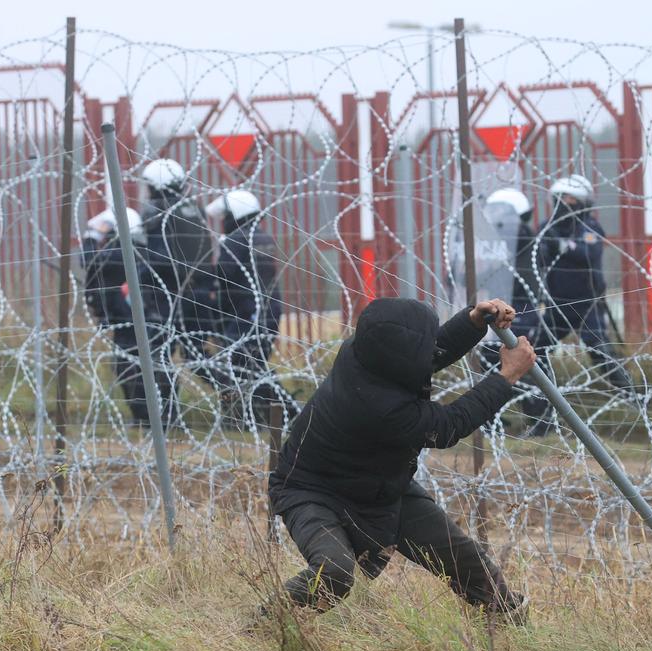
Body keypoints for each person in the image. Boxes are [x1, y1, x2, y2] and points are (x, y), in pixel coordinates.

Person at [267, 297, 536, 621]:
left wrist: (473, 321)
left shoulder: (365, 353)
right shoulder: (382, 408)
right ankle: (264, 627)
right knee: (334, 571)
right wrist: (505, 377)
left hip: (377, 484)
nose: (430, 346)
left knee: (464, 558)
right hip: (311, 490)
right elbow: (448, 426)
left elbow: (425, 352)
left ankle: (512, 625)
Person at [526, 174, 636, 436]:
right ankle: (542, 419)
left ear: (583, 203)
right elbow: (536, 256)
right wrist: (551, 244)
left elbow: (588, 253)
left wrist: (561, 245)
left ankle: (638, 404)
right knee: (535, 354)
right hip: (557, 306)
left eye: (572, 199)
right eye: (561, 198)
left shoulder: (591, 228)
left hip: (588, 305)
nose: (566, 203)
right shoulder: (546, 227)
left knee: (602, 353)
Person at [206, 190, 295, 428]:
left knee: (237, 364)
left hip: (248, 314)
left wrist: (214, 308)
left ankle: (249, 418)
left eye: (225, 215)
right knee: (253, 365)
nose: (223, 221)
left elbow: (224, 277)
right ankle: (281, 413)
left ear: (236, 214)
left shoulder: (235, 241)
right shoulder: (261, 237)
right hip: (267, 311)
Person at [140, 158, 213, 427]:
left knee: (160, 355)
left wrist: (140, 273)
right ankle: (243, 401)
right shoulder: (195, 208)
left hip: (165, 296)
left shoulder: (155, 210)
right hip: (198, 293)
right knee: (196, 356)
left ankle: (165, 417)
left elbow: (157, 258)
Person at [477, 187, 548, 423]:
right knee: (495, 358)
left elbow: (505, 269)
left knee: (517, 361)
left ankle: (535, 418)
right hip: (506, 307)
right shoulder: (508, 238)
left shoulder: (521, 235)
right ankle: (493, 415)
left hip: (520, 308)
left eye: (500, 211)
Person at [81, 207, 151, 425]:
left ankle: (146, 417)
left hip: (129, 321)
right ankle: (143, 416)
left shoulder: (123, 252)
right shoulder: (133, 250)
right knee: (129, 367)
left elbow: (89, 261)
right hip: (128, 319)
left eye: (109, 233)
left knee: (130, 367)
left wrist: (91, 238)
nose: (106, 237)